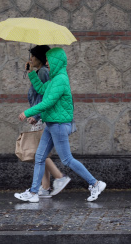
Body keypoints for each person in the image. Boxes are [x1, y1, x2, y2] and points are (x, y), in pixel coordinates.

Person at [15, 47, 106, 203]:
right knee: (39, 157)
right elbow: (41, 89)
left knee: (67, 159)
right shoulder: (54, 79)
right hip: (52, 124)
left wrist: (29, 112)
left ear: (57, 61)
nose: (47, 63)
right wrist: (31, 73)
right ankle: (33, 192)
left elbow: (48, 102)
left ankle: (95, 183)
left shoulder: (61, 79)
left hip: (58, 124)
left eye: (49, 60)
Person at [26, 45, 71, 198]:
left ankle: (59, 177)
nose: (30, 59)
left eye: (32, 56)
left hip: (42, 118)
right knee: (39, 155)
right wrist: (31, 73)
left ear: (38, 57)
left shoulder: (44, 73)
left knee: (41, 155)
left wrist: (36, 115)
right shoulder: (39, 72)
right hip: (38, 117)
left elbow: (46, 97)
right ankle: (44, 187)